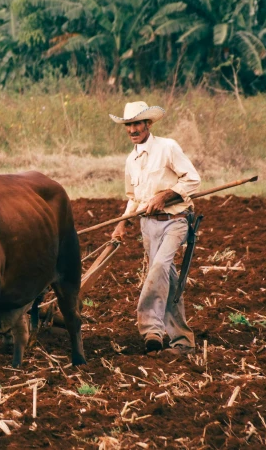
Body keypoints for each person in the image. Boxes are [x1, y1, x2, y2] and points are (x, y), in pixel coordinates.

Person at [109, 101, 200, 357]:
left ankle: (151, 330)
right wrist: (121, 223)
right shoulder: (131, 160)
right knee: (167, 279)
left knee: (159, 267)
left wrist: (166, 196)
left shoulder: (168, 147)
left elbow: (193, 179)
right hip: (148, 226)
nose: (132, 129)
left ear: (148, 124)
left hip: (175, 220)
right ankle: (183, 341)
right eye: (129, 125)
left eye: (137, 123)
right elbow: (133, 198)